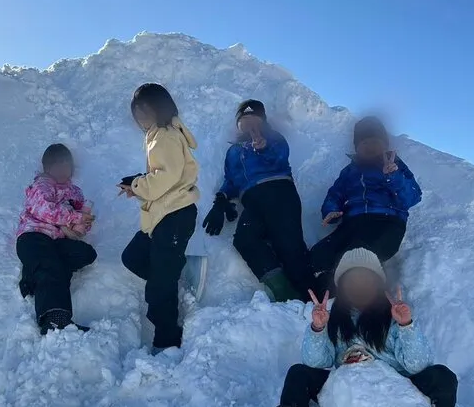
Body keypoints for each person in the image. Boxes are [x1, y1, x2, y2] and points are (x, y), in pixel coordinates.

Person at [250, 248, 457, 407]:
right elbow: (316, 362)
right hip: (349, 388)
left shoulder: (393, 316)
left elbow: (418, 365)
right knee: (299, 373)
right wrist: (318, 328)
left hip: (395, 389)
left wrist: (405, 325)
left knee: (442, 377)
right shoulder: (336, 318)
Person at [203, 100, 311, 302]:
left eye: (254, 120)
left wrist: (263, 147)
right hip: (252, 200)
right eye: (244, 121)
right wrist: (221, 199)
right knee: (244, 239)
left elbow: (280, 157)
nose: (249, 125)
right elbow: (231, 180)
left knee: (289, 246)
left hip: (279, 192)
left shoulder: (273, 138)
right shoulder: (233, 151)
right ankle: (283, 291)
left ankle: (311, 300)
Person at [119, 84, 200, 352]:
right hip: (164, 213)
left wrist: (139, 186)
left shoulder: (164, 135)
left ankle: (168, 340)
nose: (140, 117)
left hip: (174, 214)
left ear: (160, 106)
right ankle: (174, 269)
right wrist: (138, 187)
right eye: (136, 113)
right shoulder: (158, 135)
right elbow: (163, 177)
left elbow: (166, 176)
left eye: (144, 109)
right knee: (133, 256)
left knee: (158, 288)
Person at [309, 116, 421, 294]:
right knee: (317, 256)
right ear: (357, 146)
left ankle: (373, 302)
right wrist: (331, 211)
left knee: (358, 255)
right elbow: (335, 194)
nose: (370, 147)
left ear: (384, 144)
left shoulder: (395, 165)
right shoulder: (350, 171)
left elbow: (412, 197)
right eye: (365, 142)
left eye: (375, 142)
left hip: (387, 223)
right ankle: (320, 299)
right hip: (352, 223)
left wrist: (393, 176)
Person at [16, 143, 96, 335]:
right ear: (47, 168)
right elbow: (44, 211)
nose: (63, 169)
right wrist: (74, 217)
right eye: (58, 165)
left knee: (85, 254)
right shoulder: (41, 185)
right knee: (50, 265)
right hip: (33, 237)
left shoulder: (73, 191)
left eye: (66, 165)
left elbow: (78, 215)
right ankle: (54, 319)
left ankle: (33, 276)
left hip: (55, 241)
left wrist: (83, 223)